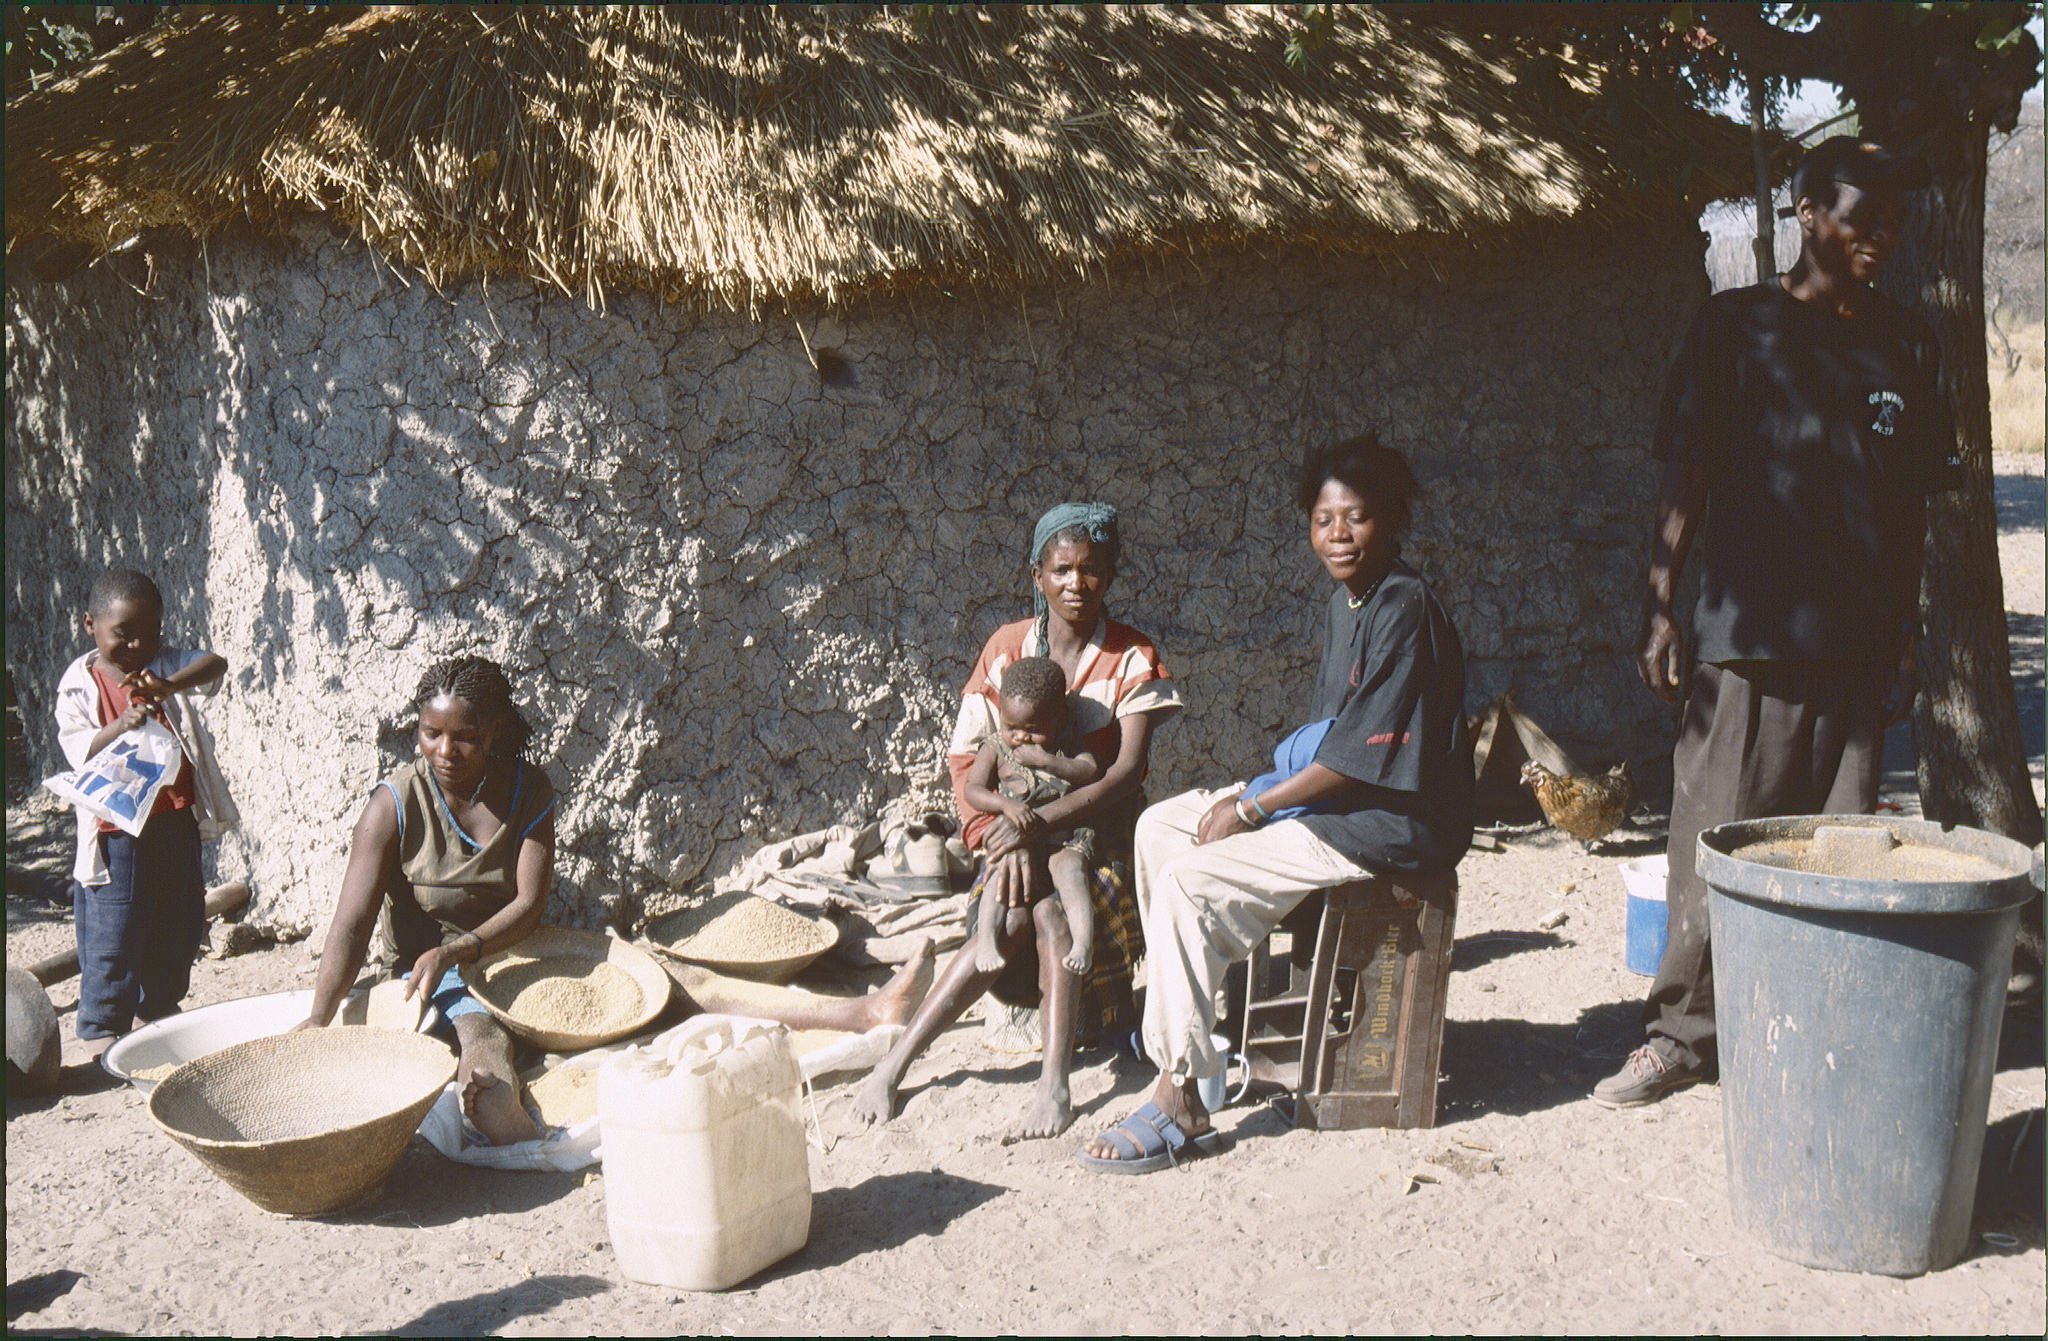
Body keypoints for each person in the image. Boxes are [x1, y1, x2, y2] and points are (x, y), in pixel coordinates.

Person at [1593, 137, 1962, 1109]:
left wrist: (1905, 629)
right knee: (1713, 837)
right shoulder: (1734, 328)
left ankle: (1813, 1032)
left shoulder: (1906, 341)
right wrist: (1659, 605)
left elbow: (1910, 504)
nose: (1880, 232)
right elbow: (1684, 475)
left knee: (1833, 849)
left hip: (1857, 639)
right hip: (1744, 632)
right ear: (1804, 213)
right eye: (1858, 213)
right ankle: (1680, 1036)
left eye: (1892, 217)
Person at [301, 656, 934, 1146]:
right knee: (483, 1042)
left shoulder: (528, 788)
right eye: (429, 733)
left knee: (676, 980)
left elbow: (528, 904)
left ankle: (864, 1012)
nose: (444, 751)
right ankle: (514, 1124)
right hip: (433, 974)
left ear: (492, 733)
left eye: (462, 736)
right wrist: (320, 1018)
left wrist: (466, 946)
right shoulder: (393, 806)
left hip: (518, 949)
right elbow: (351, 924)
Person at [1080, 433, 1471, 1173]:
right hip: (1347, 803)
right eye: (1324, 520)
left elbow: (1361, 760)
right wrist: (1255, 799)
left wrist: (1255, 809)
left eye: (1355, 518)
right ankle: (1203, 1036)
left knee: (1194, 883)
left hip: (1391, 821)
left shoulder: (1404, 608)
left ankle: (1180, 1097)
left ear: (1389, 520)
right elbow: (1333, 740)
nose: (1338, 535)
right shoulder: (1346, 605)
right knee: (1161, 826)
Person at [852, 502, 1185, 1141]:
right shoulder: (1007, 650)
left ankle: (1053, 1084)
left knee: (1052, 915)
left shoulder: (1132, 657)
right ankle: (893, 1066)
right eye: (1061, 569)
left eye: (1091, 570)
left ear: (1110, 574)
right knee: (997, 924)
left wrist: (1040, 826)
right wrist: (997, 845)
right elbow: (966, 764)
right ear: (1037, 575)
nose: (1076, 584)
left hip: (1096, 836)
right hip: (1009, 833)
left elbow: (1123, 775)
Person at [54, 569, 231, 1054]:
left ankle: (159, 1010)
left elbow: (216, 664)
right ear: (90, 624)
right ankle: (101, 1026)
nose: (137, 645)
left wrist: (166, 686)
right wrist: (121, 725)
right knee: (115, 926)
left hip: (174, 820)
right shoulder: (79, 684)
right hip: (116, 831)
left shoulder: (164, 665)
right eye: (123, 634)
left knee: (180, 917)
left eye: (149, 633)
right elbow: (78, 749)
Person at [962, 657, 1102, 977]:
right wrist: (1005, 806)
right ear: (1001, 717)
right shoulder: (996, 747)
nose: (1021, 737)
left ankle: (1083, 941)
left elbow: (1090, 771)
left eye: (1034, 730)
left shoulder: (1065, 744)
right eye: (1011, 727)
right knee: (997, 875)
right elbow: (973, 790)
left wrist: (1048, 761)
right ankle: (986, 940)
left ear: (1060, 720)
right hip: (1017, 836)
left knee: (1071, 870)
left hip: (1062, 835)